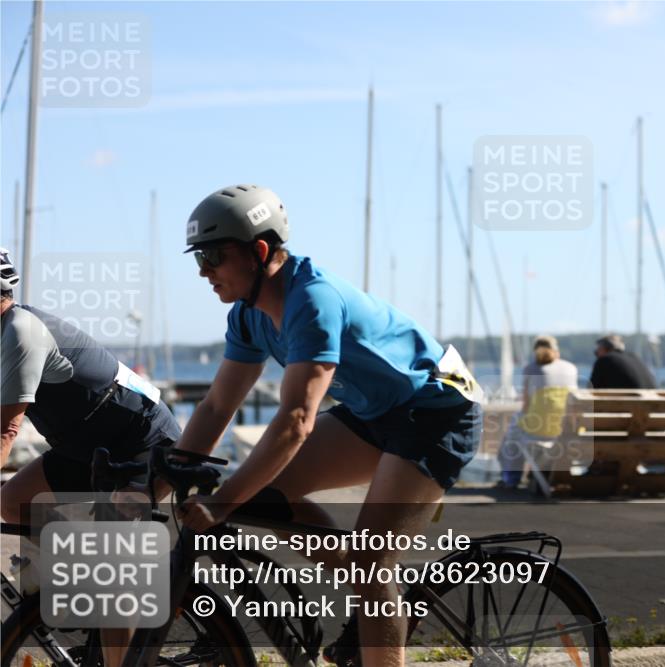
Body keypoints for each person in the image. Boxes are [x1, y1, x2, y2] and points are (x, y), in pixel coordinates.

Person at [173, 185, 482, 667]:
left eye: (213, 256)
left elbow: (297, 420)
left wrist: (221, 501)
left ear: (259, 251)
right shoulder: (249, 316)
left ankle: (374, 594)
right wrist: (168, 473)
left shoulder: (312, 300)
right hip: (374, 413)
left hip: (436, 412)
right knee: (268, 495)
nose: (203, 271)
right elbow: (216, 407)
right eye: (198, 259)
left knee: (368, 563)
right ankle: (374, 601)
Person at [0, 246, 182, 667]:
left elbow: (7, 428)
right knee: (14, 501)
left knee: (113, 575)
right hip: (87, 444)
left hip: (142, 437)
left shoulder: (21, 331)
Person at [496, 335, 578, 488]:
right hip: (564, 430)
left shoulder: (531, 368)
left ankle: (512, 477)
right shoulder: (571, 368)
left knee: (513, 434)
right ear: (556, 350)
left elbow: (526, 406)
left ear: (535, 351)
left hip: (538, 430)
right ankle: (532, 473)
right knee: (518, 429)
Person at [589, 333, 657, 389]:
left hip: (629, 405)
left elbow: (592, 390)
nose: (596, 355)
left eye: (597, 352)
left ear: (604, 349)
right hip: (652, 403)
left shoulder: (604, 360)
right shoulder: (635, 358)